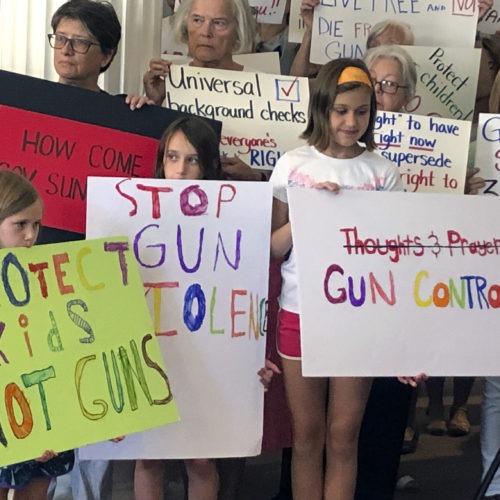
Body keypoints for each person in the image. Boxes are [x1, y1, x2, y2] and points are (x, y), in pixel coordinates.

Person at [270, 57, 405, 500]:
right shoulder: (293, 165)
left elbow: (391, 257)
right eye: (341, 110)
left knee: (344, 435)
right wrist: (310, 210)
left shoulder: (383, 173)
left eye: (362, 111)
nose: (351, 122)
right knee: (306, 436)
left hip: (357, 318)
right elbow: (272, 247)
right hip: (301, 311)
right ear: (322, 108)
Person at [133, 115, 278, 500]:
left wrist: (252, 354)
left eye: (193, 160)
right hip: (153, 350)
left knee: (200, 458)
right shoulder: (134, 211)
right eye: (173, 157)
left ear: (210, 165)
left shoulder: (232, 217)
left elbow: (249, 281)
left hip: (207, 353)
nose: (180, 170)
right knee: (148, 456)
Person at [0, 170, 75, 500]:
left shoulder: (51, 277)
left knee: (37, 491)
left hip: (43, 412)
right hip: (6, 418)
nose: (31, 235)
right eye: (20, 225)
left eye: (37, 225)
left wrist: (51, 424)